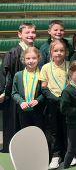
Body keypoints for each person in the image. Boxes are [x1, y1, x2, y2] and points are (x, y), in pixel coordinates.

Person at [0, 23, 37, 153]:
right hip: (15, 94)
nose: (30, 35)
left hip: (33, 95)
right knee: (14, 121)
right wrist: (2, 92)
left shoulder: (35, 51)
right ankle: (14, 149)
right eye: (27, 33)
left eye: (33, 32)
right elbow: (4, 72)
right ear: (19, 35)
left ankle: (31, 148)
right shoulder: (13, 51)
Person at [40, 40, 73, 169]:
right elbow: (44, 87)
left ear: (66, 52)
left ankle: (68, 153)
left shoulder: (70, 66)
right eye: (56, 51)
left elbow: (73, 83)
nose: (59, 53)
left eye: (61, 50)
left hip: (68, 103)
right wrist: (54, 98)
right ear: (50, 52)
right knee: (55, 130)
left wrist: (65, 98)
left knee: (68, 129)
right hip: (53, 103)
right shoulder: (46, 67)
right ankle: (55, 155)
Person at [12, 47, 45, 130]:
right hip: (23, 110)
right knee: (26, 133)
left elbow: (46, 91)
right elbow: (14, 92)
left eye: (34, 58)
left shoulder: (43, 73)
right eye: (28, 58)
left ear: (39, 58)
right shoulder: (18, 75)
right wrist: (21, 102)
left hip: (39, 110)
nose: (31, 61)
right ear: (24, 59)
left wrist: (38, 100)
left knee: (39, 133)